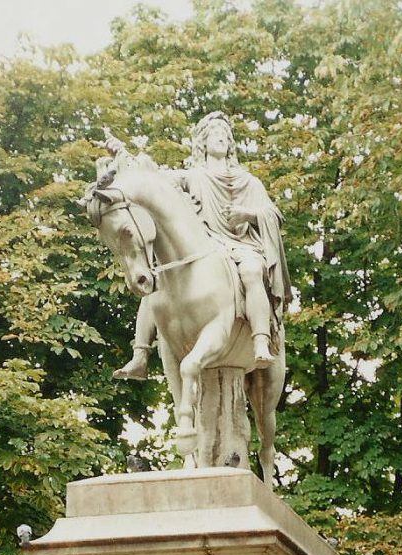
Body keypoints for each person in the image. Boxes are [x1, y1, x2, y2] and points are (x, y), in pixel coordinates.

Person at [113, 111, 292, 380]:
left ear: (231, 145)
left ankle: (260, 340)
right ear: (203, 143)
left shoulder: (248, 181)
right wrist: (122, 154)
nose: (221, 137)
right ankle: (140, 355)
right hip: (207, 246)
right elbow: (152, 180)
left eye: (225, 135)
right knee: (157, 281)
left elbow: (274, 215)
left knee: (253, 271)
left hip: (242, 246)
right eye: (215, 133)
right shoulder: (192, 177)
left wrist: (248, 214)